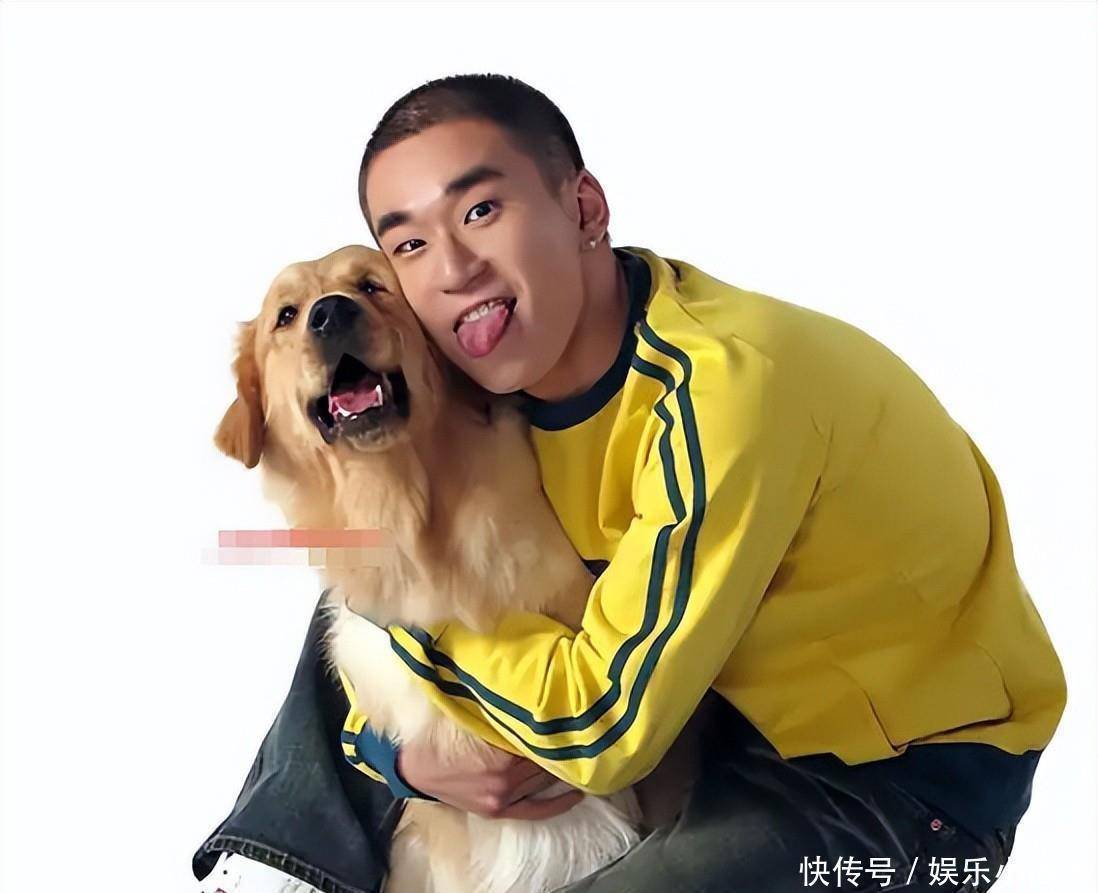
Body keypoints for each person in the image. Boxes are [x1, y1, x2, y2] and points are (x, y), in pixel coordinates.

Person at [194, 74, 1066, 893]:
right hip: (714, 702)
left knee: (392, 602)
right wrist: (401, 759)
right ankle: (270, 856)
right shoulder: (510, 383)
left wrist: (399, 629)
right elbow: (383, 566)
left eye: (481, 210)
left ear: (584, 208)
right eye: (412, 243)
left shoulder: (722, 396)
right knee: (380, 561)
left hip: (896, 784)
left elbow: (601, 728)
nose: (454, 267)